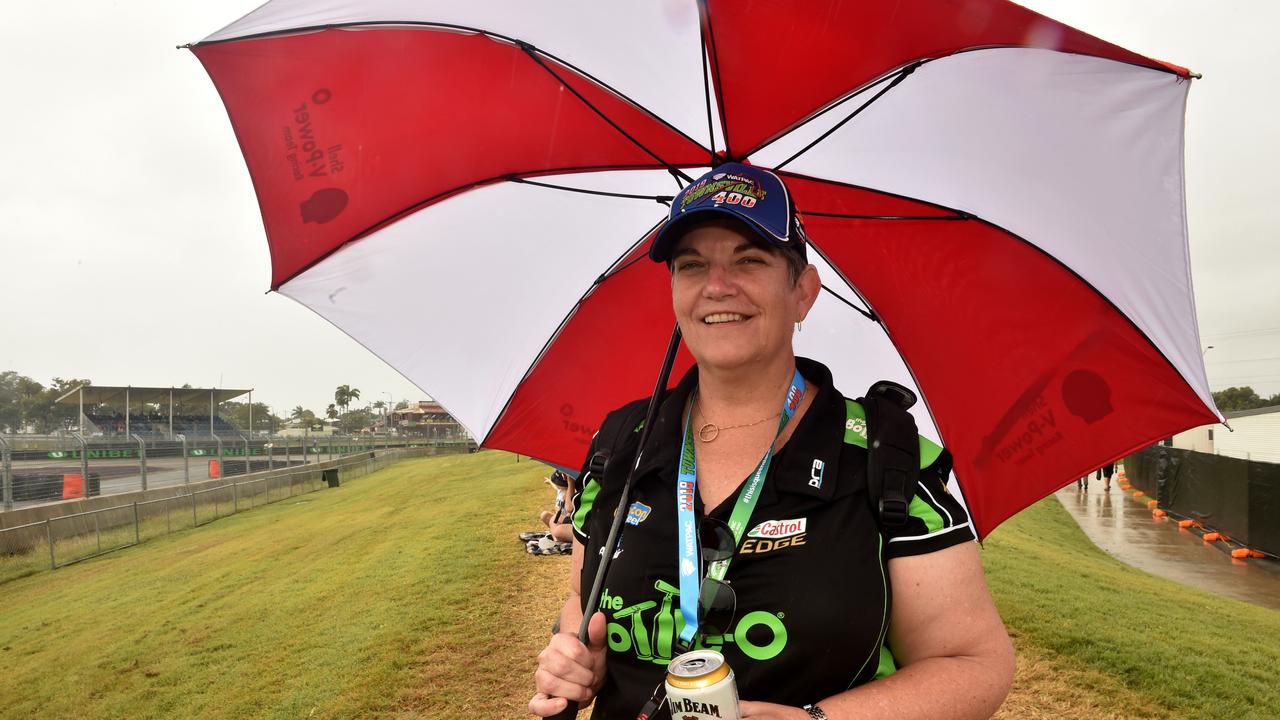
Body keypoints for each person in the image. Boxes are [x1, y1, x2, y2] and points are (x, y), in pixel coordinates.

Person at [530, 163, 1015, 719]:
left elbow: (973, 663)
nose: (717, 285)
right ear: (674, 293)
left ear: (803, 291)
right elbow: (580, 598)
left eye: (749, 260)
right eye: (692, 266)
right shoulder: (622, 441)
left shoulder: (885, 455)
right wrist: (578, 657)